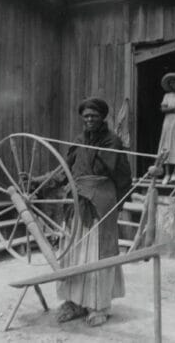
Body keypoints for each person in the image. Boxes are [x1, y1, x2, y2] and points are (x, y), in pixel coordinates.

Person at [34, 98, 132, 326]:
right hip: (76, 203)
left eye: (94, 116)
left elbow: (123, 176)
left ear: (103, 117)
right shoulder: (79, 141)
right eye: (86, 116)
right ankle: (74, 302)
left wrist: (117, 202)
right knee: (74, 252)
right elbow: (64, 170)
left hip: (100, 204)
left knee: (96, 252)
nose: (89, 119)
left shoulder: (112, 142)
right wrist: (38, 182)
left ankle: (98, 306)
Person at [158, 72, 175, 185]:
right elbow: (162, 110)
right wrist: (174, 107)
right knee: (166, 145)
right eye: (171, 83)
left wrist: (170, 108)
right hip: (168, 122)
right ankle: (167, 174)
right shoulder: (167, 96)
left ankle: (174, 173)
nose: (173, 85)